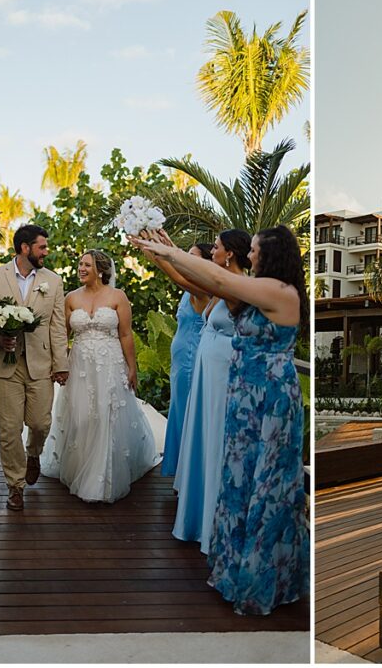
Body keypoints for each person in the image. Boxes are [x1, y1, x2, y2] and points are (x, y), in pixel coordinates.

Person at [135, 225, 308, 616]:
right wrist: (165, 250)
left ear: (272, 255)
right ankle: (235, 567)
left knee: (266, 486)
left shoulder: (281, 293)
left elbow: (215, 276)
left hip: (270, 398)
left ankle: (264, 579)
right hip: (246, 395)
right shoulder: (256, 290)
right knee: (240, 479)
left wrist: (175, 250)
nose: (249, 256)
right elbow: (205, 281)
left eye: (256, 251)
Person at [39, 250, 162, 502]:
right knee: (82, 416)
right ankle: (79, 468)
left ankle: (102, 482)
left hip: (110, 364)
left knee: (106, 415)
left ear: (101, 269)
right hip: (81, 365)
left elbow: (126, 334)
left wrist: (132, 368)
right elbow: (62, 335)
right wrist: (59, 363)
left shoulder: (118, 296)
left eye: (86, 265)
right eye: (79, 264)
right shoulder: (71, 298)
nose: (81, 268)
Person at [0, 224, 69, 511]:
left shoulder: (53, 281)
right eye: (42, 246)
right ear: (24, 248)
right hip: (5, 367)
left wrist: (60, 364)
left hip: (40, 365)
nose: (46, 252)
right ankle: (14, 485)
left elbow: (57, 326)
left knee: (40, 423)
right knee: (9, 428)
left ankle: (34, 453)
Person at [168, 230, 251, 553]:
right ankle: (198, 517)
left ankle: (214, 524)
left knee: (217, 441)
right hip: (207, 372)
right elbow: (188, 271)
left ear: (229, 253)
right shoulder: (220, 287)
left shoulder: (235, 286)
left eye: (215, 246)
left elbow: (186, 274)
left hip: (223, 375)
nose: (211, 249)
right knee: (202, 441)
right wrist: (160, 245)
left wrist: (164, 249)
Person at [147, 242, 214, 478]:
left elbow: (177, 275)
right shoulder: (190, 289)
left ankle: (189, 475)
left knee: (187, 413)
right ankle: (180, 473)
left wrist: (156, 256)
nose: (186, 259)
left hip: (192, 358)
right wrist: (155, 241)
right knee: (178, 410)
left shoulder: (202, 288)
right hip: (181, 360)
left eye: (192, 257)